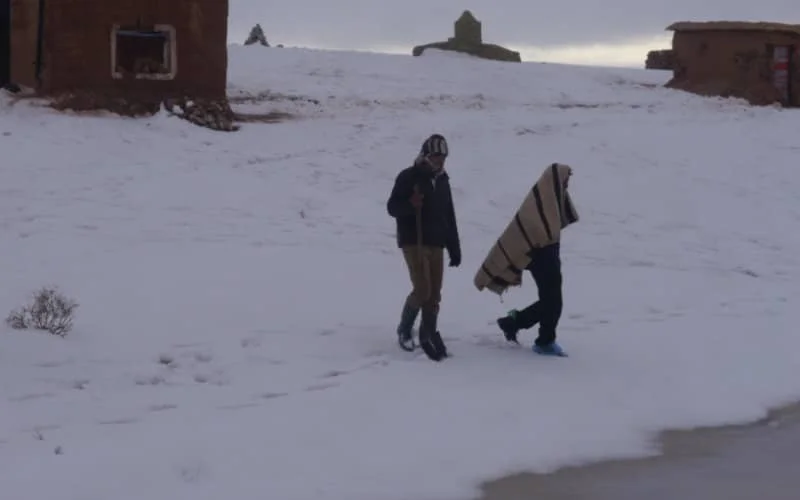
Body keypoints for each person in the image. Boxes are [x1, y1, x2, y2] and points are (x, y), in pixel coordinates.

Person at [473, 163, 579, 357]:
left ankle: (514, 323)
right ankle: (543, 341)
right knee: (554, 302)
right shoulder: (542, 199)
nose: (566, 184)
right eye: (564, 180)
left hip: (550, 255)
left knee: (552, 301)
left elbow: (556, 223)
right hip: (540, 257)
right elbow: (532, 230)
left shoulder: (553, 197)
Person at [387, 134, 461, 361]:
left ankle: (428, 332)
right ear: (426, 155)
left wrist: (454, 246)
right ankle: (404, 328)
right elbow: (392, 207)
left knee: (434, 293)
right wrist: (410, 205)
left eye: (444, 156)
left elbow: (449, 215)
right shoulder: (409, 177)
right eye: (437, 156)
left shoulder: (443, 181)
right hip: (414, 241)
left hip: (436, 242)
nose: (441, 161)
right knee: (422, 290)